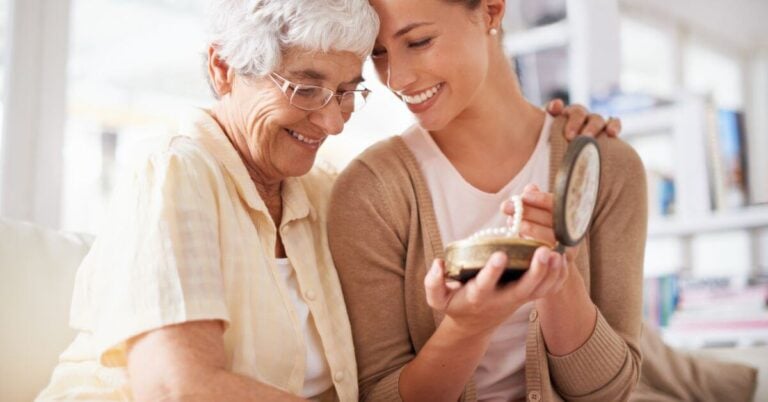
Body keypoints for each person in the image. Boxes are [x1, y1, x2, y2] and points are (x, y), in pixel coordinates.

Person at [37, 0, 380, 400]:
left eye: (345, 92)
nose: (333, 123)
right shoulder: (173, 173)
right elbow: (176, 389)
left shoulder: (324, 194)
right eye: (305, 90)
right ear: (224, 69)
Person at [327, 0, 646, 401]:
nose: (397, 78)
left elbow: (608, 392)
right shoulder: (369, 192)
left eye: (419, 41)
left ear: (492, 12)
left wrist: (558, 280)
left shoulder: (606, 166)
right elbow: (379, 395)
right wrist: (466, 326)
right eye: (378, 52)